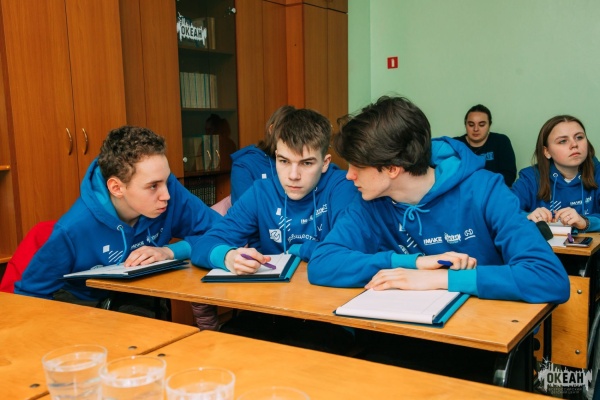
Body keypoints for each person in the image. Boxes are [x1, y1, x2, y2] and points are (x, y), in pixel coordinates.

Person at [307, 96, 570, 304]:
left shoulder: (485, 190)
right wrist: (413, 264)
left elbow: (548, 277)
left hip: (482, 334)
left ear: (392, 168)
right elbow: (322, 263)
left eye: (358, 165)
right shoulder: (368, 201)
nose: (349, 175)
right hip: (406, 331)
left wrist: (442, 279)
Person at [14, 126, 221, 320]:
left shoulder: (169, 191)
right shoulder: (73, 228)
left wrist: (171, 252)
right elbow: (29, 295)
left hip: (142, 295)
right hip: (83, 307)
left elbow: (225, 232)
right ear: (116, 188)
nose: (166, 195)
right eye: (153, 186)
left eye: (167, 180)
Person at [190, 108, 357, 274]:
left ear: (325, 163)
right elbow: (203, 245)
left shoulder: (343, 186)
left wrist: (298, 249)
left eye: (306, 163)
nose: (293, 176)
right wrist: (228, 257)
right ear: (276, 157)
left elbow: (351, 250)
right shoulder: (260, 192)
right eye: (284, 161)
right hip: (273, 289)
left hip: (325, 287)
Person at [511, 115, 600, 232]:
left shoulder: (597, 172)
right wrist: (527, 216)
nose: (574, 144)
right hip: (542, 244)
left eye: (579, 137)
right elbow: (503, 212)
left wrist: (586, 222)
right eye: (563, 141)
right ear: (547, 151)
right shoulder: (530, 177)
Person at [229, 105, 296, 204]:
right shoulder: (244, 164)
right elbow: (244, 209)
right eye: (287, 135)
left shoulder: (299, 162)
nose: (293, 141)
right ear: (271, 130)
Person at [454, 104, 517, 186]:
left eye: (481, 125)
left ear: (489, 125)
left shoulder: (501, 141)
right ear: (465, 125)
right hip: (463, 191)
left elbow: (509, 176)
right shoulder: (456, 144)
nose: (476, 129)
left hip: (493, 190)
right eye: (471, 125)